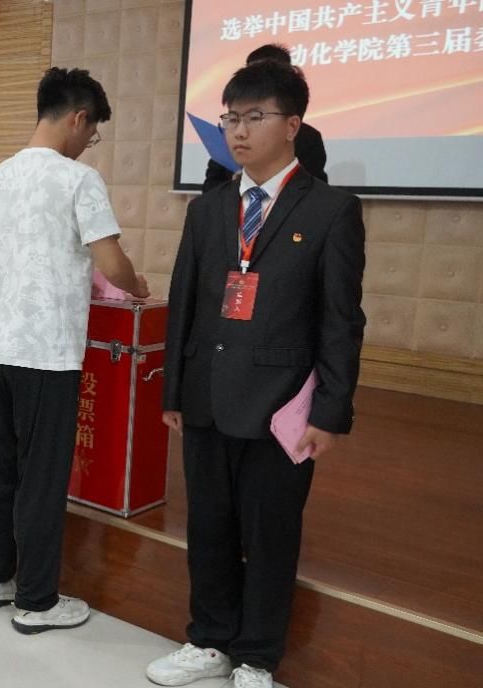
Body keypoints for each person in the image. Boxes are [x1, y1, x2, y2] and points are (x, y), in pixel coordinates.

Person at [146, 60, 365, 688]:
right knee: (208, 526)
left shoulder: (331, 210)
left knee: (271, 534)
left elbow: (341, 319)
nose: (238, 131)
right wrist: (173, 389)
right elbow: (186, 301)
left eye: (254, 117)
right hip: (207, 396)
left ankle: (257, 657)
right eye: (230, 119)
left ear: (292, 125)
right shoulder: (209, 209)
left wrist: (330, 411)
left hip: (280, 404)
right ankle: (208, 639)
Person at [0, 67, 149, 634]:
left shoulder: (0, 176)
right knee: (42, 479)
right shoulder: (78, 179)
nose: (88, 142)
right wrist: (138, 286)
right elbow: (111, 263)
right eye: (91, 132)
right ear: (78, 118)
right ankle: (37, 600)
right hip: (46, 353)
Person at [203, 43, 328, 192]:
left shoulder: (309, 137)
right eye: (233, 118)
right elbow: (211, 184)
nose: (240, 132)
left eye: (255, 118)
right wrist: (236, 187)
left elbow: (315, 187)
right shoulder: (230, 135)